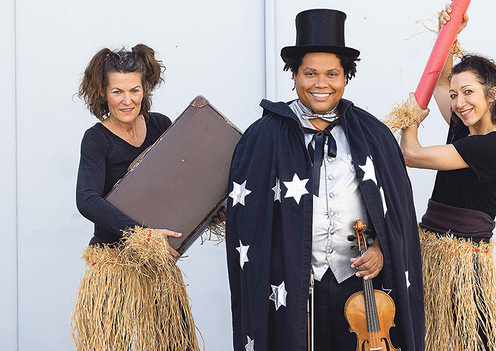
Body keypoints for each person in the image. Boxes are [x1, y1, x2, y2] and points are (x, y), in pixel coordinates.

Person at [225, 9, 424, 351]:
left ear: (346, 76)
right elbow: (248, 218)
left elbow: (398, 215)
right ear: (294, 76)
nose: (321, 83)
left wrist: (380, 250)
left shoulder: (372, 134)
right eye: (310, 73)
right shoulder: (264, 135)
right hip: (293, 287)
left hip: (359, 286)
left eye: (332, 73)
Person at [399, 4, 496, 350]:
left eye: (468, 92)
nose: (458, 102)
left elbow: (410, 154)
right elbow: (439, 82)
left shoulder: (491, 147)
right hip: (433, 250)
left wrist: (410, 119)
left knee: (479, 342)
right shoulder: (465, 126)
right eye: (456, 95)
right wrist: (449, 33)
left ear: (492, 94)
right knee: (429, 338)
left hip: (463, 262)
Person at [72, 44, 200, 351]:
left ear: (145, 89)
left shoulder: (159, 125)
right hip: (113, 267)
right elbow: (87, 199)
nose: (127, 100)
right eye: (117, 91)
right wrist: (141, 235)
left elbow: (178, 185)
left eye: (134, 90)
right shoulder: (96, 139)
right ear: (102, 93)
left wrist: (208, 211)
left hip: (158, 270)